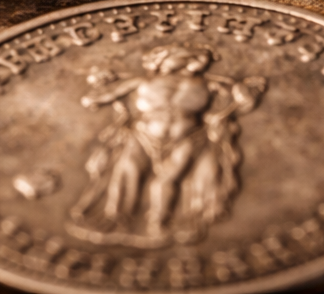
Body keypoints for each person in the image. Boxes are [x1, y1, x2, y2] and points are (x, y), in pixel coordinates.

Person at [67, 46, 267, 248]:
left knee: (166, 179)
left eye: (199, 61)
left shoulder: (212, 84)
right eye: (190, 59)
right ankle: (116, 217)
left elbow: (242, 103)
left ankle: (159, 223)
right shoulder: (142, 82)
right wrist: (100, 84)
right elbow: (93, 99)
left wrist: (248, 93)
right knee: (128, 171)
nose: (197, 63)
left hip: (187, 137)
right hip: (143, 135)